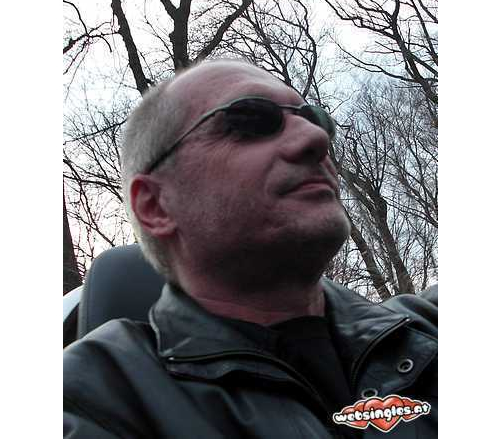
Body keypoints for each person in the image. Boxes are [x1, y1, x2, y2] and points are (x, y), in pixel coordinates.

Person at [64, 59, 437, 439]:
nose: (316, 138)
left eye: (316, 119)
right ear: (156, 205)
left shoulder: (431, 327)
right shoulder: (90, 398)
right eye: (250, 120)